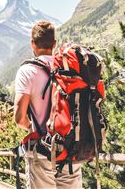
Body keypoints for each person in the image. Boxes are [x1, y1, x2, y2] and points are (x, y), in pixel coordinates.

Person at [14, 20, 83, 189]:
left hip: (42, 150)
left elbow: (19, 117)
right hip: (70, 149)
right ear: (54, 44)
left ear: (32, 43)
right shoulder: (69, 68)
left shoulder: (27, 71)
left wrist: (31, 128)